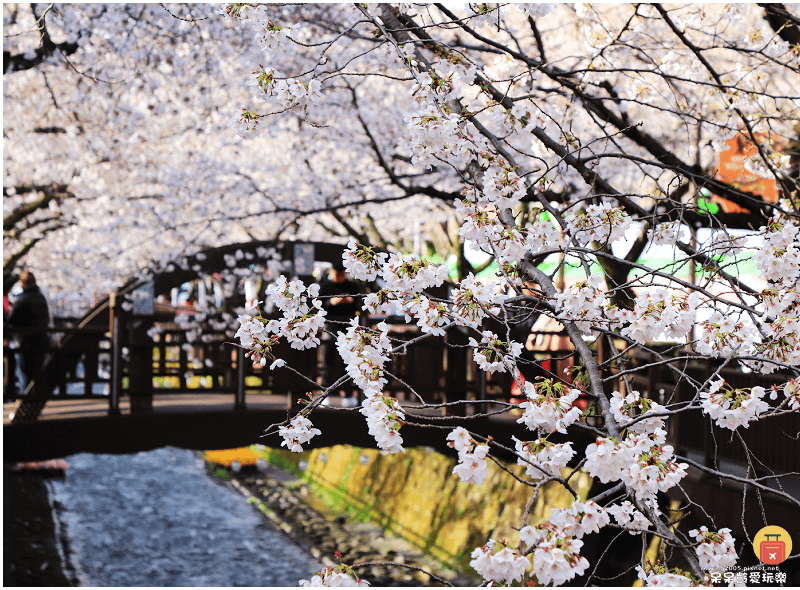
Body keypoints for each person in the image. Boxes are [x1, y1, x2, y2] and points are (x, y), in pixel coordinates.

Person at [318, 262, 362, 406]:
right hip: (330, 325)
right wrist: (332, 302)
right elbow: (319, 305)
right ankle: (325, 392)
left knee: (348, 361)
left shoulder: (353, 286)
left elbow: (360, 304)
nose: (340, 277)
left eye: (342, 274)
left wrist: (351, 300)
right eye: (337, 274)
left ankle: (348, 393)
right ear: (332, 272)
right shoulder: (325, 286)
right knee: (327, 360)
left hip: (348, 326)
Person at [6, 270, 51, 396]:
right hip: (41, 340)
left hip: (26, 342)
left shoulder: (23, 299)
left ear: (22, 283)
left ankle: (24, 405)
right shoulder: (41, 297)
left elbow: (11, 319)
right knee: (36, 374)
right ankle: (33, 403)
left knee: (25, 374)